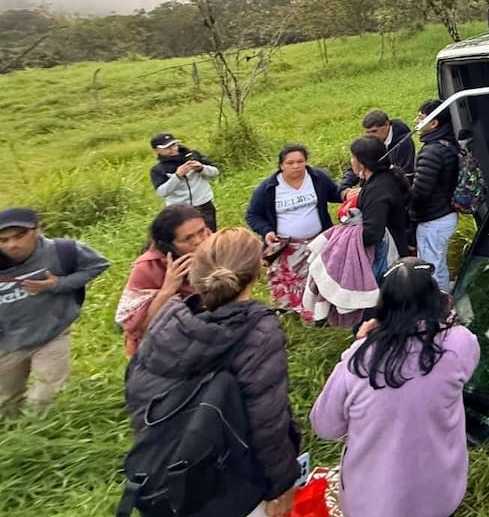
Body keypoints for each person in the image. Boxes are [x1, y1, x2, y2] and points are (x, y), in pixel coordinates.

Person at [125, 228, 301, 517]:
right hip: (234, 482)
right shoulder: (257, 331)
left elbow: (140, 392)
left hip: (171, 475)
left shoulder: (169, 317)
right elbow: (267, 420)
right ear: (258, 271)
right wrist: (281, 486)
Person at [311, 257, 479, 517]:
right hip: (440, 495)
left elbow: (325, 426)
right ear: (434, 297)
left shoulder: (358, 360)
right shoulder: (460, 343)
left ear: (384, 305)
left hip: (370, 503)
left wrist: (365, 343)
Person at [0, 207, 109, 418]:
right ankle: (12, 438)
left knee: (43, 397)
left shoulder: (62, 251)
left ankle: (36, 436)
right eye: (3, 240)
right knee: (6, 398)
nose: (13, 245)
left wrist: (59, 284)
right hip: (8, 342)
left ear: (37, 229)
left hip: (52, 334)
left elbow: (97, 265)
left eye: (20, 236)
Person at [245, 144, 343, 318]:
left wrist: (349, 193)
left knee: (318, 278)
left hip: (317, 242)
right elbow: (253, 215)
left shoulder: (317, 178)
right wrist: (267, 231)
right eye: (290, 163)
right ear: (281, 165)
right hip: (287, 247)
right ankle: (293, 313)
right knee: (291, 283)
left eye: (300, 161)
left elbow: (335, 194)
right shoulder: (269, 188)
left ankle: (320, 311)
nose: (296, 166)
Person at [115, 204, 211, 357]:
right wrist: (168, 289)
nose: (199, 241)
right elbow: (138, 329)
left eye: (202, 232)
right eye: (187, 239)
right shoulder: (147, 268)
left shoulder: (215, 248)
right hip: (164, 352)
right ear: (168, 246)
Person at [410, 99, 460, 291]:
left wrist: (402, 192)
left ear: (434, 123)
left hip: (434, 219)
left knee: (431, 266)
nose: (416, 120)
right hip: (446, 212)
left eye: (421, 118)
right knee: (438, 263)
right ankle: (445, 299)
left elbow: (420, 193)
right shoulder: (448, 143)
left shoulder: (431, 152)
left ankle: (439, 310)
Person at [350, 135, 411, 282]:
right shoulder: (387, 177)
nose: (351, 162)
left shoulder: (378, 190)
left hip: (387, 257)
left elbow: (372, 232)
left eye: (352, 157)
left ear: (362, 163)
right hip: (397, 244)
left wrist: (348, 240)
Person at [149, 132, 220, 230]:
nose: (172, 149)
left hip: (204, 205)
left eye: (173, 145)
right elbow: (161, 192)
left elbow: (215, 172)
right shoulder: (158, 169)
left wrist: (201, 168)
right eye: (166, 147)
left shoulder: (194, 155)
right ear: (157, 150)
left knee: (210, 235)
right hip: (179, 212)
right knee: (188, 239)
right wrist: (177, 176)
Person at [339, 110, 416, 196]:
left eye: (374, 131)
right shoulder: (369, 142)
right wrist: (344, 188)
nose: (371, 135)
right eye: (367, 132)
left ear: (387, 125)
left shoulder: (404, 143)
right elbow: (357, 164)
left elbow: (405, 174)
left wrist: (370, 190)